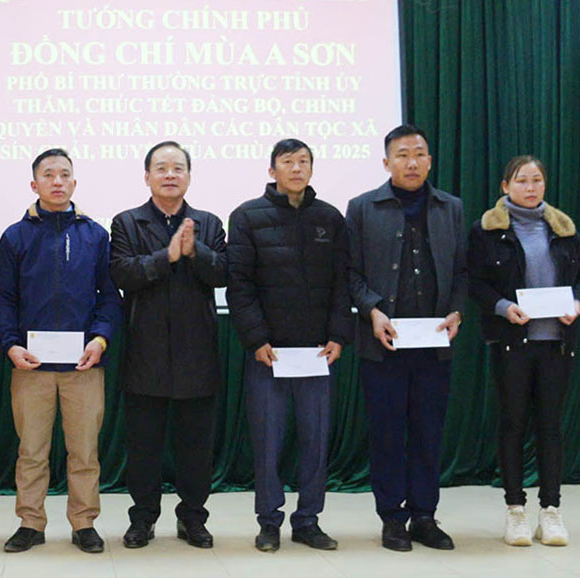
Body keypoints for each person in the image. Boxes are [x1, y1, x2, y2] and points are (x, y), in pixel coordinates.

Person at [0, 148, 121, 554]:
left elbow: (110, 299)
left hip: (84, 365)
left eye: (65, 174)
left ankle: (84, 523)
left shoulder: (96, 235)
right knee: (31, 451)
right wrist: (10, 345)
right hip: (30, 366)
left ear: (75, 183)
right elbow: (4, 300)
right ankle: (30, 522)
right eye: (49, 175)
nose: (58, 181)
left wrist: (99, 340)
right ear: (35, 185)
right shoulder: (15, 236)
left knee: (84, 452)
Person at [346, 124, 467, 551]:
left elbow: (463, 272)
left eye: (418, 154)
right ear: (386, 163)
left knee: (428, 432)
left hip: (434, 344)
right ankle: (392, 518)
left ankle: (425, 515)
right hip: (384, 343)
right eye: (401, 155)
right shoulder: (362, 208)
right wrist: (373, 310)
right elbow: (351, 274)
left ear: (430, 160)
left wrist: (457, 311)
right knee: (386, 434)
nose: (411, 162)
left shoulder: (450, 207)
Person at [227, 139, 350, 552]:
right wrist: (257, 339)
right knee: (268, 443)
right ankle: (268, 521)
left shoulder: (329, 218)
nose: (296, 168)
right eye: (287, 162)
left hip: (316, 353)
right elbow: (239, 285)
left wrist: (337, 335)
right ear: (272, 170)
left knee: (315, 441)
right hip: (270, 354)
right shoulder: (246, 216)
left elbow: (341, 282)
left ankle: (309, 520)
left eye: (304, 161)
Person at [110, 141, 227, 549]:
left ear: (189, 176)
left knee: (196, 447)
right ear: (147, 177)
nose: (170, 174)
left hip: (198, 353)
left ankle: (193, 518)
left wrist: (196, 252)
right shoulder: (127, 222)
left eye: (178, 167)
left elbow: (223, 274)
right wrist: (168, 256)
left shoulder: (208, 223)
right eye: (161, 168)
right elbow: (123, 274)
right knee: (143, 447)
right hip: (146, 353)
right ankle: (142, 519)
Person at [468, 155, 579, 547]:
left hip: (556, 344)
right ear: (505, 186)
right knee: (513, 424)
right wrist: (503, 308)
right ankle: (515, 509)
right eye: (522, 181)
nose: (530, 188)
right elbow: (477, 284)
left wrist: (576, 303)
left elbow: (577, 280)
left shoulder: (564, 230)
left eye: (537, 181)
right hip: (513, 342)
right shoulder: (486, 231)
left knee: (551, 427)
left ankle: (550, 511)